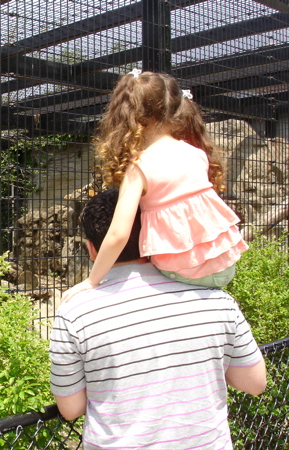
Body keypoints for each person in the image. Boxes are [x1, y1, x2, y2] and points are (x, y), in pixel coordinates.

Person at [49, 189, 267, 449]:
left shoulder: (74, 312)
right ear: (153, 236)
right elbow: (254, 384)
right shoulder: (216, 301)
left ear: (92, 249)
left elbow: (71, 408)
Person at [74, 69, 247, 294]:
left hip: (181, 271)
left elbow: (118, 234)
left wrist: (91, 281)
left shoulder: (139, 167)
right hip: (225, 265)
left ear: (128, 115)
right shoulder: (196, 153)